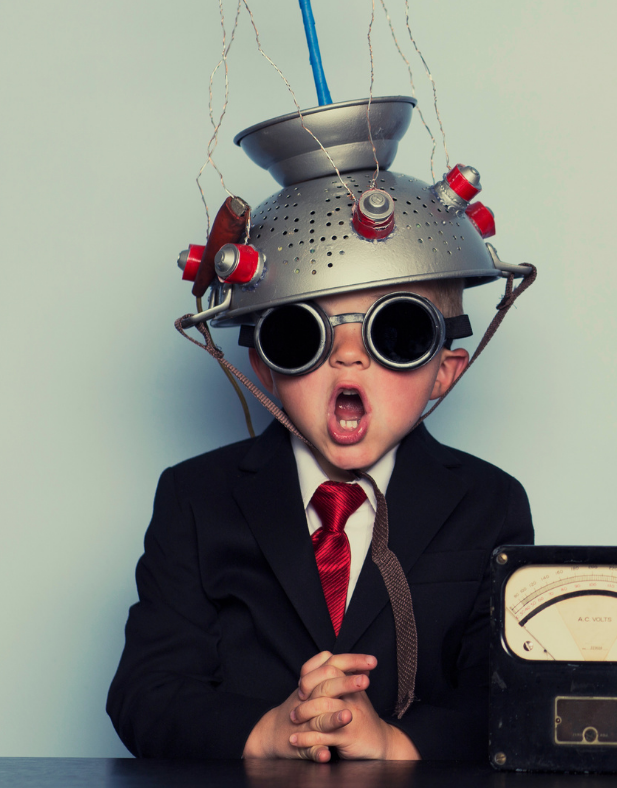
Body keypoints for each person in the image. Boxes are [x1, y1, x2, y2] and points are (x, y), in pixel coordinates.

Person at [108, 102, 534, 762]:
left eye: (396, 333)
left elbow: (510, 697)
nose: (348, 357)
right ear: (265, 365)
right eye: (302, 332)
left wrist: (392, 743)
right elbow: (145, 692)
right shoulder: (198, 498)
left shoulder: (488, 503)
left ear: (443, 372)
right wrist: (270, 731)